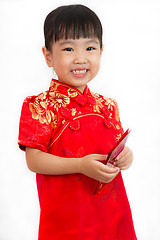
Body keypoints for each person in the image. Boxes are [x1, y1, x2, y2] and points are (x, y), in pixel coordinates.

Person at [18, 4, 137, 240]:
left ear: (101, 52)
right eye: (69, 49)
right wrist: (80, 165)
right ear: (48, 56)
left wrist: (126, 156)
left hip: (111, 212)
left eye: (90, 48)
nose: (80, 59)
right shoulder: (40, 106)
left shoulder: (108, 105)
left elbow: (114, 151)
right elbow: (33, 160)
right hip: (68, 217)